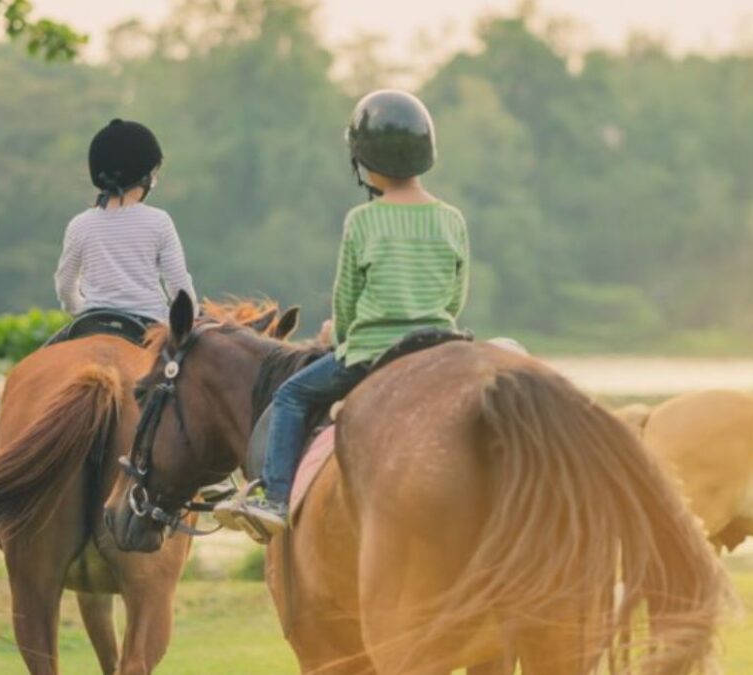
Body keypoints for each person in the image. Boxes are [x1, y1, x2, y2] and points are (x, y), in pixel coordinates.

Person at [222, 90, 471, 536]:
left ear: (363, 161)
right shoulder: (452, 219)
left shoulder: (363, 220)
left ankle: (274, 497)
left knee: (292, 397)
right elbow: (455, 299)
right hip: (440, 352)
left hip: (373, 353)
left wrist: (337, 333)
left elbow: (346, 300)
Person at [53, 118, 197, 329]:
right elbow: (179, 289)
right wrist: (193, 317)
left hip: (93, 322)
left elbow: (65, 286)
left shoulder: (80, 225)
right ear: (146, 177)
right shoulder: (159, 221)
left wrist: (79, 308)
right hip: (149, 325)